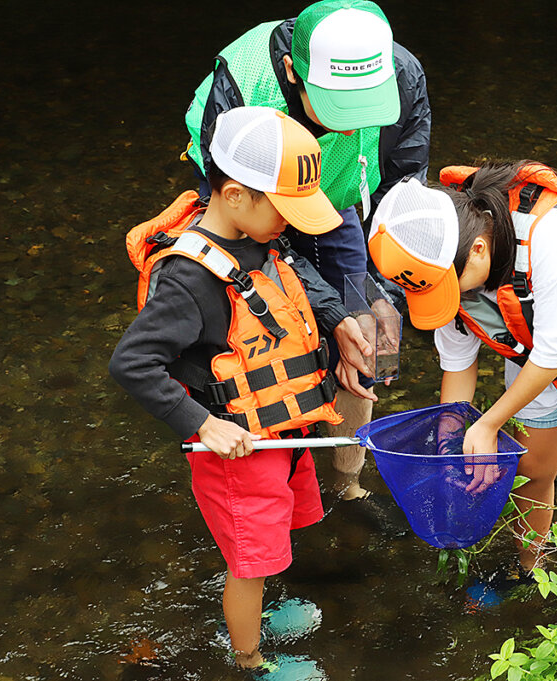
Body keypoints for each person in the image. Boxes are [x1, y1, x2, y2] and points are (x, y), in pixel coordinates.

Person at [110, 107, 345, 679]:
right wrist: (201, 423)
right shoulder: (189, 278)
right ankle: (250, 661)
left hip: (281, 438)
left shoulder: (259, 240)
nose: (289, 224)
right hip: (237, 450)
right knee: (248, 560)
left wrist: (341, 325)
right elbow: (131, 362)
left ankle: (259, 608)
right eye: (283, 210)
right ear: (235, 195)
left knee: (268, 541)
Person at [183, 0, 431, 509]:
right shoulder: (243, 92)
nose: (350, 127)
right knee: (264, 332)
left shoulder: (401, 75)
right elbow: (262, 243)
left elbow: (400, 198)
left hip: (339, 198)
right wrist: (330, 311)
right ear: (296, 73)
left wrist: (366, 303)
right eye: (340, 107)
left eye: (366, 108)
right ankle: (266, 480)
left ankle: (347, 483)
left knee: (371, 337)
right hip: (259, 198)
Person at [368, 165, 557, 576]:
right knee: (531, 469)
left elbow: (555, 355)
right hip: (532, 341)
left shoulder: (555, 245)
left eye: (450, 288)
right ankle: (530, 568)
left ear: (477, 249)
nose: (451, 298)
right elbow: (458, 365)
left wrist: (489, 424)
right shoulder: (442, 262)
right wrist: (450, 441)